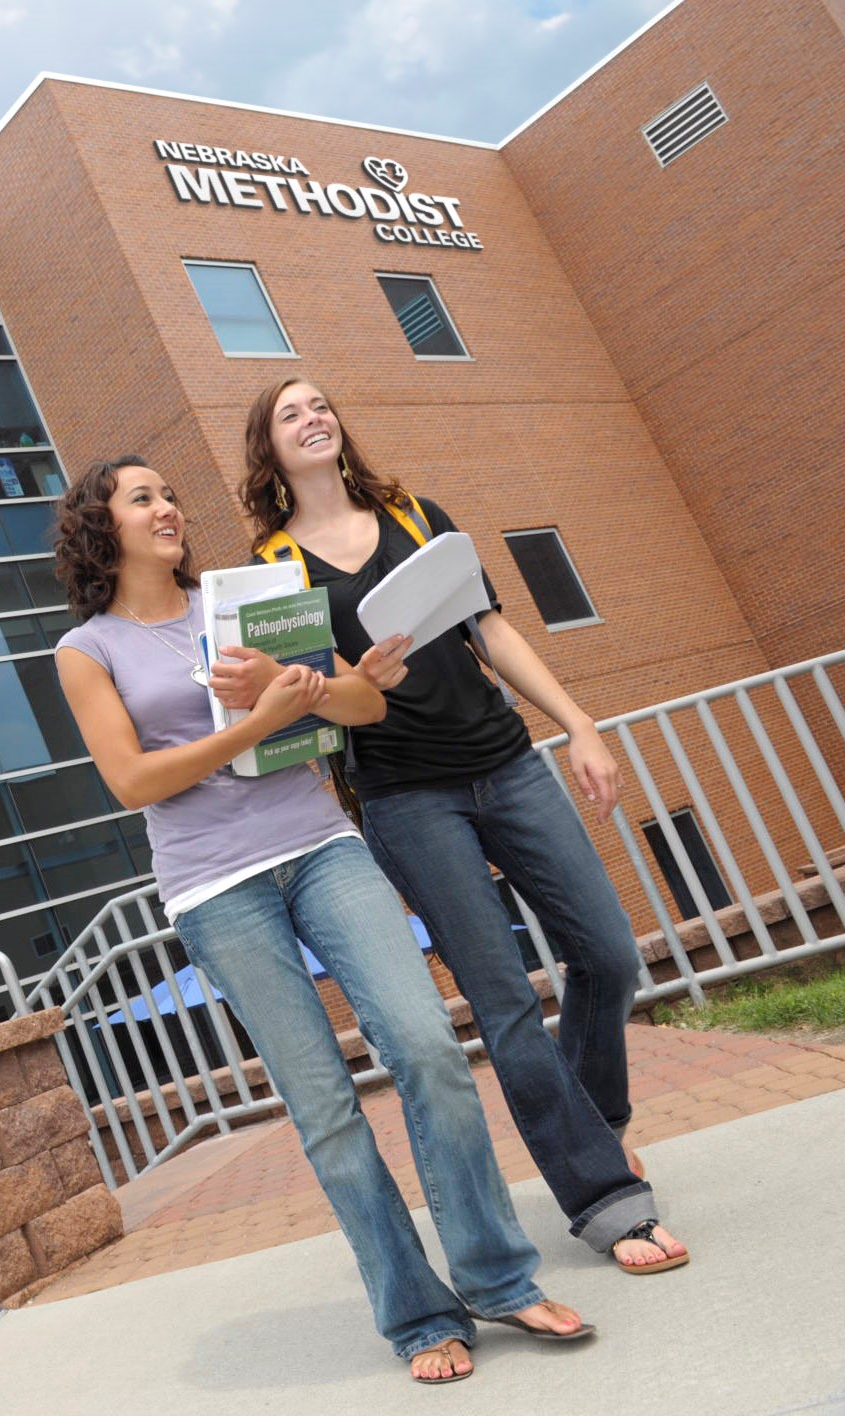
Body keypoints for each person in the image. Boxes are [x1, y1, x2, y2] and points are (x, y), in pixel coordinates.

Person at [52, 455, 591, 1384]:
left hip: (320, 846)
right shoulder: (86, 650)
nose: (169, 507)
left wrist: (289, 684)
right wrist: (252, 724)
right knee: (327, 1111)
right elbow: (133, 781)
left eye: (170, 493)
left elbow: (363, 700)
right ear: (102, 526)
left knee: (425, 1046)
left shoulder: (242, 601)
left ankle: (499, 1279)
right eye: (143, 498)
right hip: (215, 887)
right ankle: (419, 1317)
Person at [216, 377, 690, 1278]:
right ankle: (606, 1200)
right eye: (290, 414)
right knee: (505, 1002)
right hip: (404, 797)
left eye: (321, 405)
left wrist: (578, 725)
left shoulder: (418, 514)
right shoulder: (272, 568)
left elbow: (493, 632)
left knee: (608, 953)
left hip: (506, 763)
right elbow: (308, 713)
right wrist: (359, 682)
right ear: (267, 450)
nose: (313, 418)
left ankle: (593, 1125)